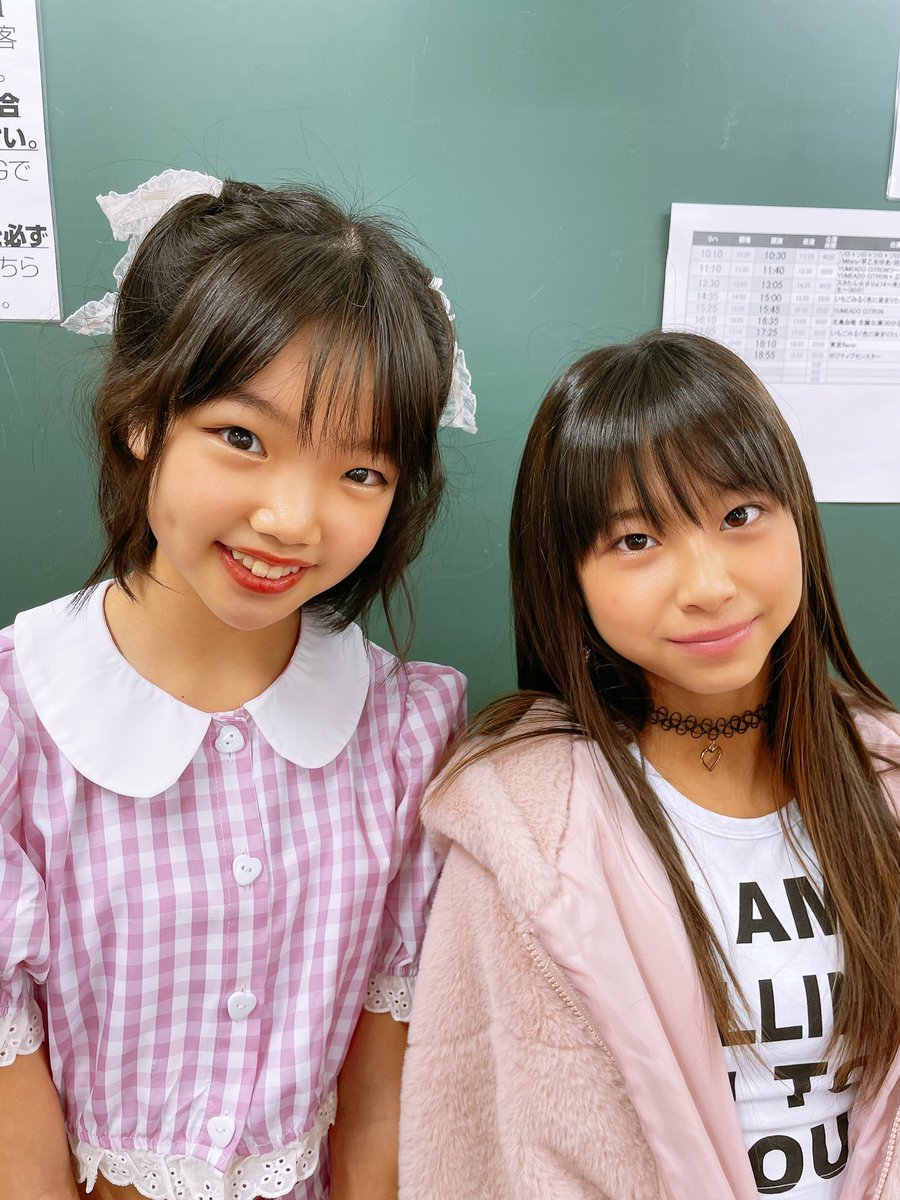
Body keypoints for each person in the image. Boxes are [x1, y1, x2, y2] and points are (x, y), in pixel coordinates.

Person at [0, 169, 472, 1200]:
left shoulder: (407, 732)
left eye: (361, 472)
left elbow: (380, 1107)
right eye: (243, 438)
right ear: (144, 415)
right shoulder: (15, 724)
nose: (292, 520)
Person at [399, 331, 900, 1200]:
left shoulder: (883, 786)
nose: (707, 584)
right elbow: (470, 1148)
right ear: (570, 578)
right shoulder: (528, 832)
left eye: (739, 517)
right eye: (635, 540)